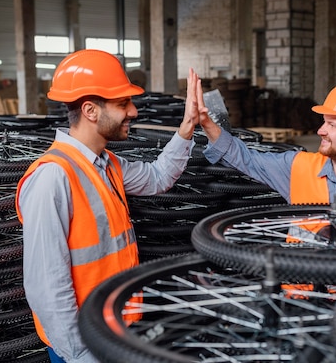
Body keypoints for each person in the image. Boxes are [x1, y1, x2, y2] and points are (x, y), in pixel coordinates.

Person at [16, 50, 203, 362]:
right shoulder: (53, 177)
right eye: (122, 103)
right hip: (85, 346)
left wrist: (187, 127)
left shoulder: (107, 163)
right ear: (90, 110)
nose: (133, 111)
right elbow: (46, 286)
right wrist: (81, 353)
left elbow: (157, 177)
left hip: (116, 329)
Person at [194, 70, 336, 206]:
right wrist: (207, 123)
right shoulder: (298, 168)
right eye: (324, 122)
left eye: (332, 125)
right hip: (296, 278)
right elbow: (245, 158)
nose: (321, 131)